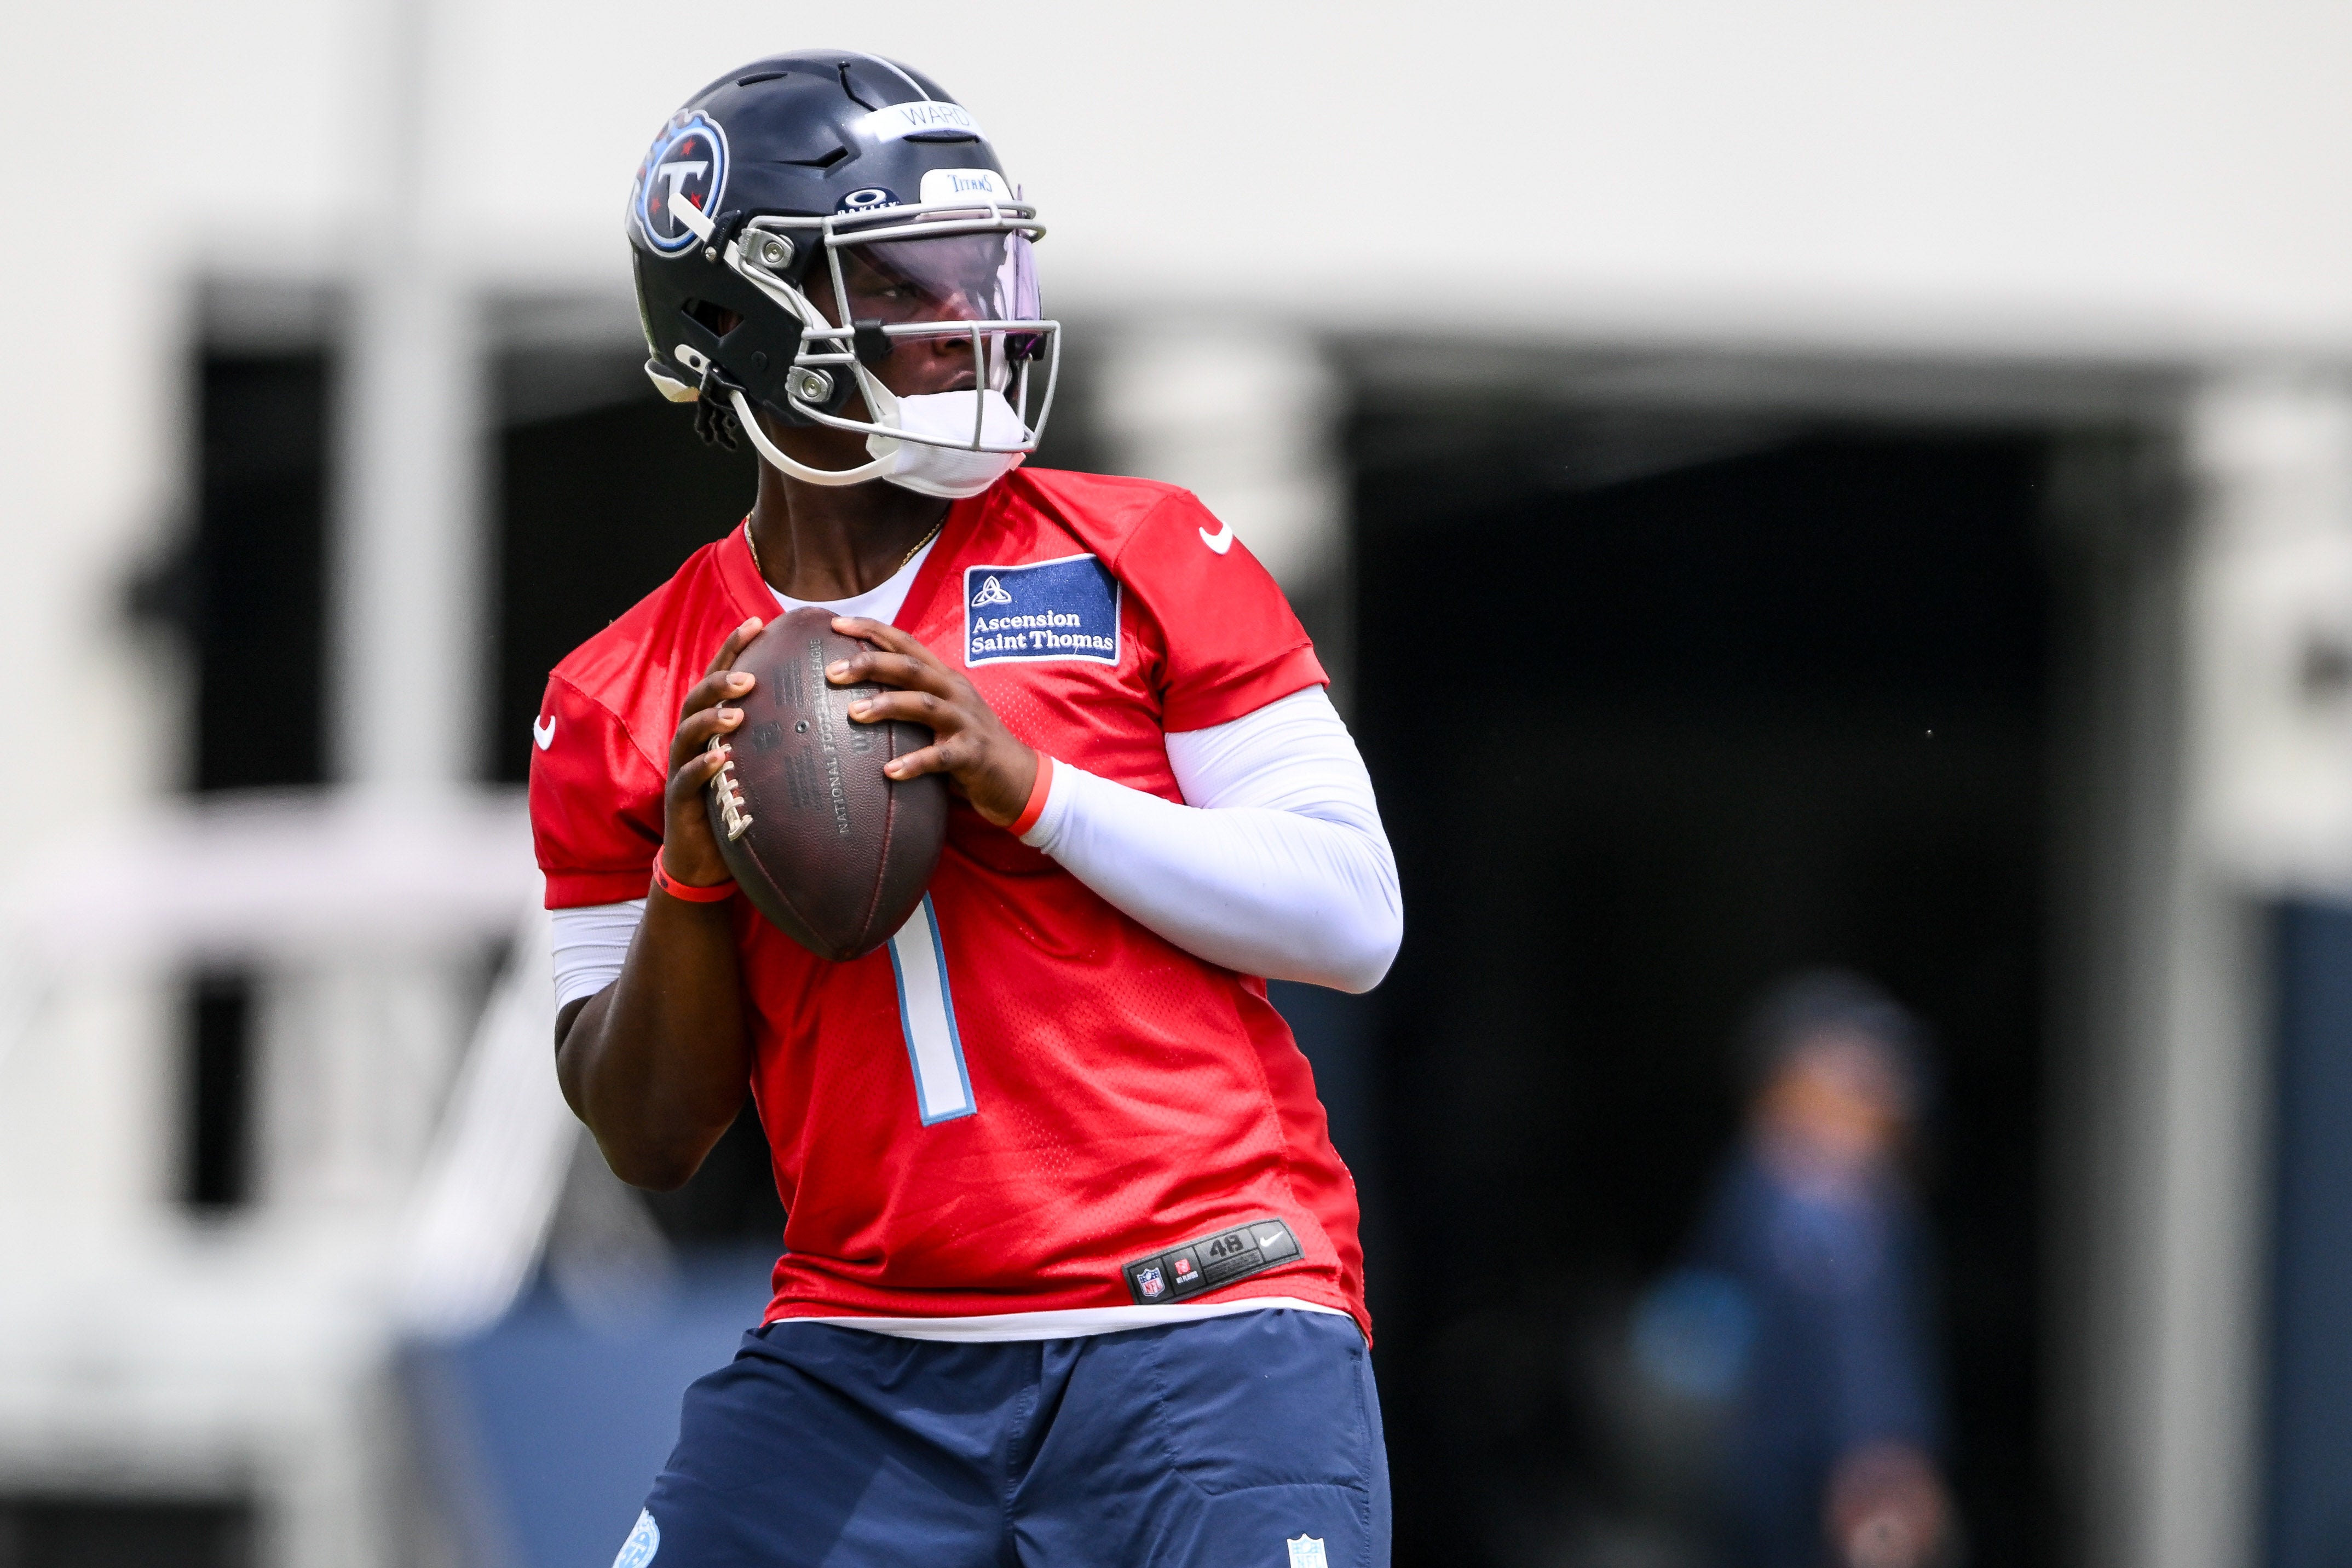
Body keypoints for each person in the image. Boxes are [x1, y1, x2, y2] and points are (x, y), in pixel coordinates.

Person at [527, 51, 1402, 1568]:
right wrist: (691, 878)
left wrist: (1033, 788)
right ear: (737, 320)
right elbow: (649, 1136)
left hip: (1196, 1314)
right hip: (866, 1351)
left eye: (983, 265)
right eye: (910, 279)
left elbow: (1353, 915)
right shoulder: (620, 689)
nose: (967, 316)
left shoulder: (1146, 548)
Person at [1640, 972, 1954, 1568]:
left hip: (1746, 1500)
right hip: (1803, 1505)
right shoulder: (1820, 1206)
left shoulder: (1757, 1187)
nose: (1882, 1107)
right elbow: (1861, 1383)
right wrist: (1882, 1490)